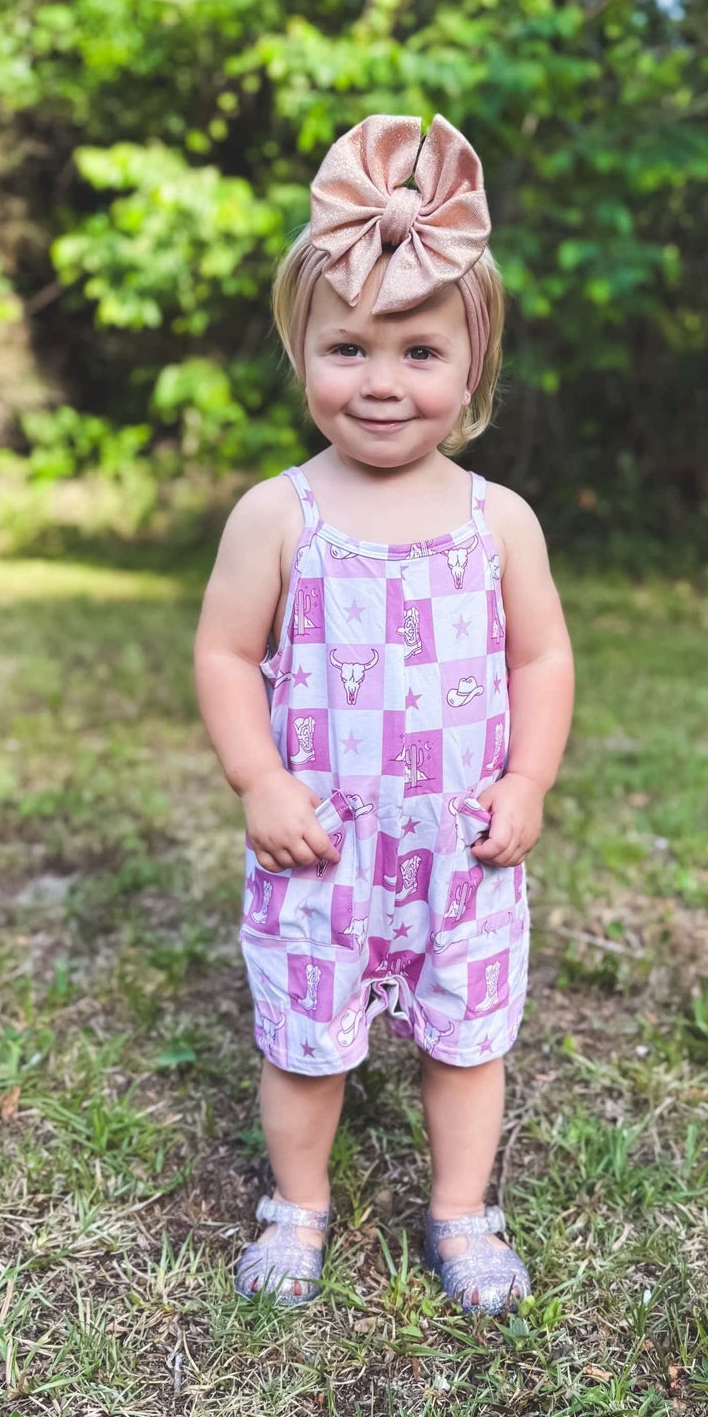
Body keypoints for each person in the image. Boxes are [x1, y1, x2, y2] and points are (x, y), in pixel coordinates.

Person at [194, 114, 574, 1314]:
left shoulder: (496, 519)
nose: (379, 380)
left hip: (455, 849)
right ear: (300, 349)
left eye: (418, 352)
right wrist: (258, 778)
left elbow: (542, 655)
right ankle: (296, 1201)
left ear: (472, 368)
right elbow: (222, 649)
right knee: (304, 1043)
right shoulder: (279, 513)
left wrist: (526, 783)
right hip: (322, 849)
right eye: (347, 346)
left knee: (466, 1041)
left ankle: (461, 1208)